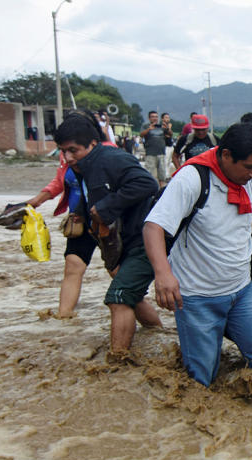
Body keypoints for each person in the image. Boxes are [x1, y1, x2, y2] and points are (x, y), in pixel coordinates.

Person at [143, 124, 252, 386]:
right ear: (226, 155)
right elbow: (154, 226)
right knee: (201, 378)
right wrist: (162, 274)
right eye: (248, 167)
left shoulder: (251, 178)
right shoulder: (193, 178)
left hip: (241, 291)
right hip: (197, 297)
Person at [55, 114, 163, 353]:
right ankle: (159, 334)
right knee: (129, 294)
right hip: (119, 241)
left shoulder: (112, 159)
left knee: (118, 297)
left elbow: (147, 184)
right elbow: (93, 193)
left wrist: (104, 209)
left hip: (141, 239)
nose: (68, 157)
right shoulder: (85, 165)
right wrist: (83, 214)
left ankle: (118, 363)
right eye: (64, 151)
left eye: (73, 150)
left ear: (92, 144)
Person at [21, 111, 118, 318]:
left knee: (117, 273)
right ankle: (63, 318)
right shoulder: (68, 155)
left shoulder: (108, 153)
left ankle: (150, 322)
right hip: (79, 220)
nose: (68, 155)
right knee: (73, 265)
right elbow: (59, 182)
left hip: (108, 223)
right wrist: (36, 201)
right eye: (65, 149)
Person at [140, 110, 171, 188]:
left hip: (161, 153)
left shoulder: (161, 126)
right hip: (150, 153)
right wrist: (149, 129)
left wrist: (167, 128)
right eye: (153, 117)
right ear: (149, 118)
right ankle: (150, 190)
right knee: (149, 174)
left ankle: (162, 191)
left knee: (162, 175)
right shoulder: (146, 126)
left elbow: (170, 134)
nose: (155, 118)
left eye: (156, 116)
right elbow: (141, 134)